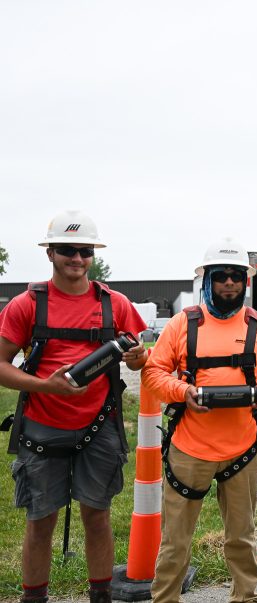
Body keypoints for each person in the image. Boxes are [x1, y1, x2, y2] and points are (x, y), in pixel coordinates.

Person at [0, 211, 148, 603]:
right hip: (41, 427)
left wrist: (137, 358)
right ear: (50, 253)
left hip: (99, 427)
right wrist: (44, 386)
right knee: (40, 521)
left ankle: (100, 597)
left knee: (97, 516)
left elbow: (139, 354)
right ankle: (35, 598)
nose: (77, 258)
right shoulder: (27, 305)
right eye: (67, 250)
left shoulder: (114, 304)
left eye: (84, 250)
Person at [142, 240, 257, 603]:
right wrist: (182, 392)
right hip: (190, 448)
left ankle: (245, 597)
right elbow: (153, 372)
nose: (229, 283)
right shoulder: (181, 325)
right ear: (206, 279)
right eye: (220, 276)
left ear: (245, 281)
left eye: (236, 276)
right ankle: (165, 599)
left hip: (243, 449)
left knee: (241, 537)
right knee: (176, 540)